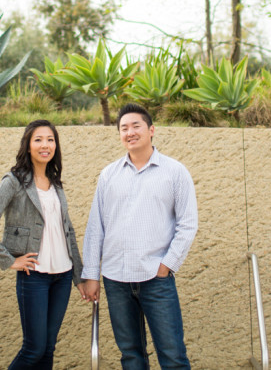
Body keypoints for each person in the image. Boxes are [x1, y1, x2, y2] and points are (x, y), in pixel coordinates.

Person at [81, 102, 198, 370]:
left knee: (173, 356)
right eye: (124, 128)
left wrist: (166, 266)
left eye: (136, 126)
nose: (130, 132)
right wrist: (91, 274)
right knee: (131, 356)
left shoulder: (174, 171)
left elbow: (188, 224)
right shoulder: (109, 175)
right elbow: (95, 226)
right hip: (115, 279)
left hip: (156, 279)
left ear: (151, 130)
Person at [0, 119, 90, 369]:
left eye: (50, 139)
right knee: (34, 348)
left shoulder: (56, 183)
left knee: (48, 348)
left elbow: (67, 232)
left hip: (63, 275)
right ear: (28, 145)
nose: (45, 145)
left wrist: (79, 276)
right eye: (38, 140)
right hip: (34, 276)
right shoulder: (14, 181)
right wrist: (9, 260)